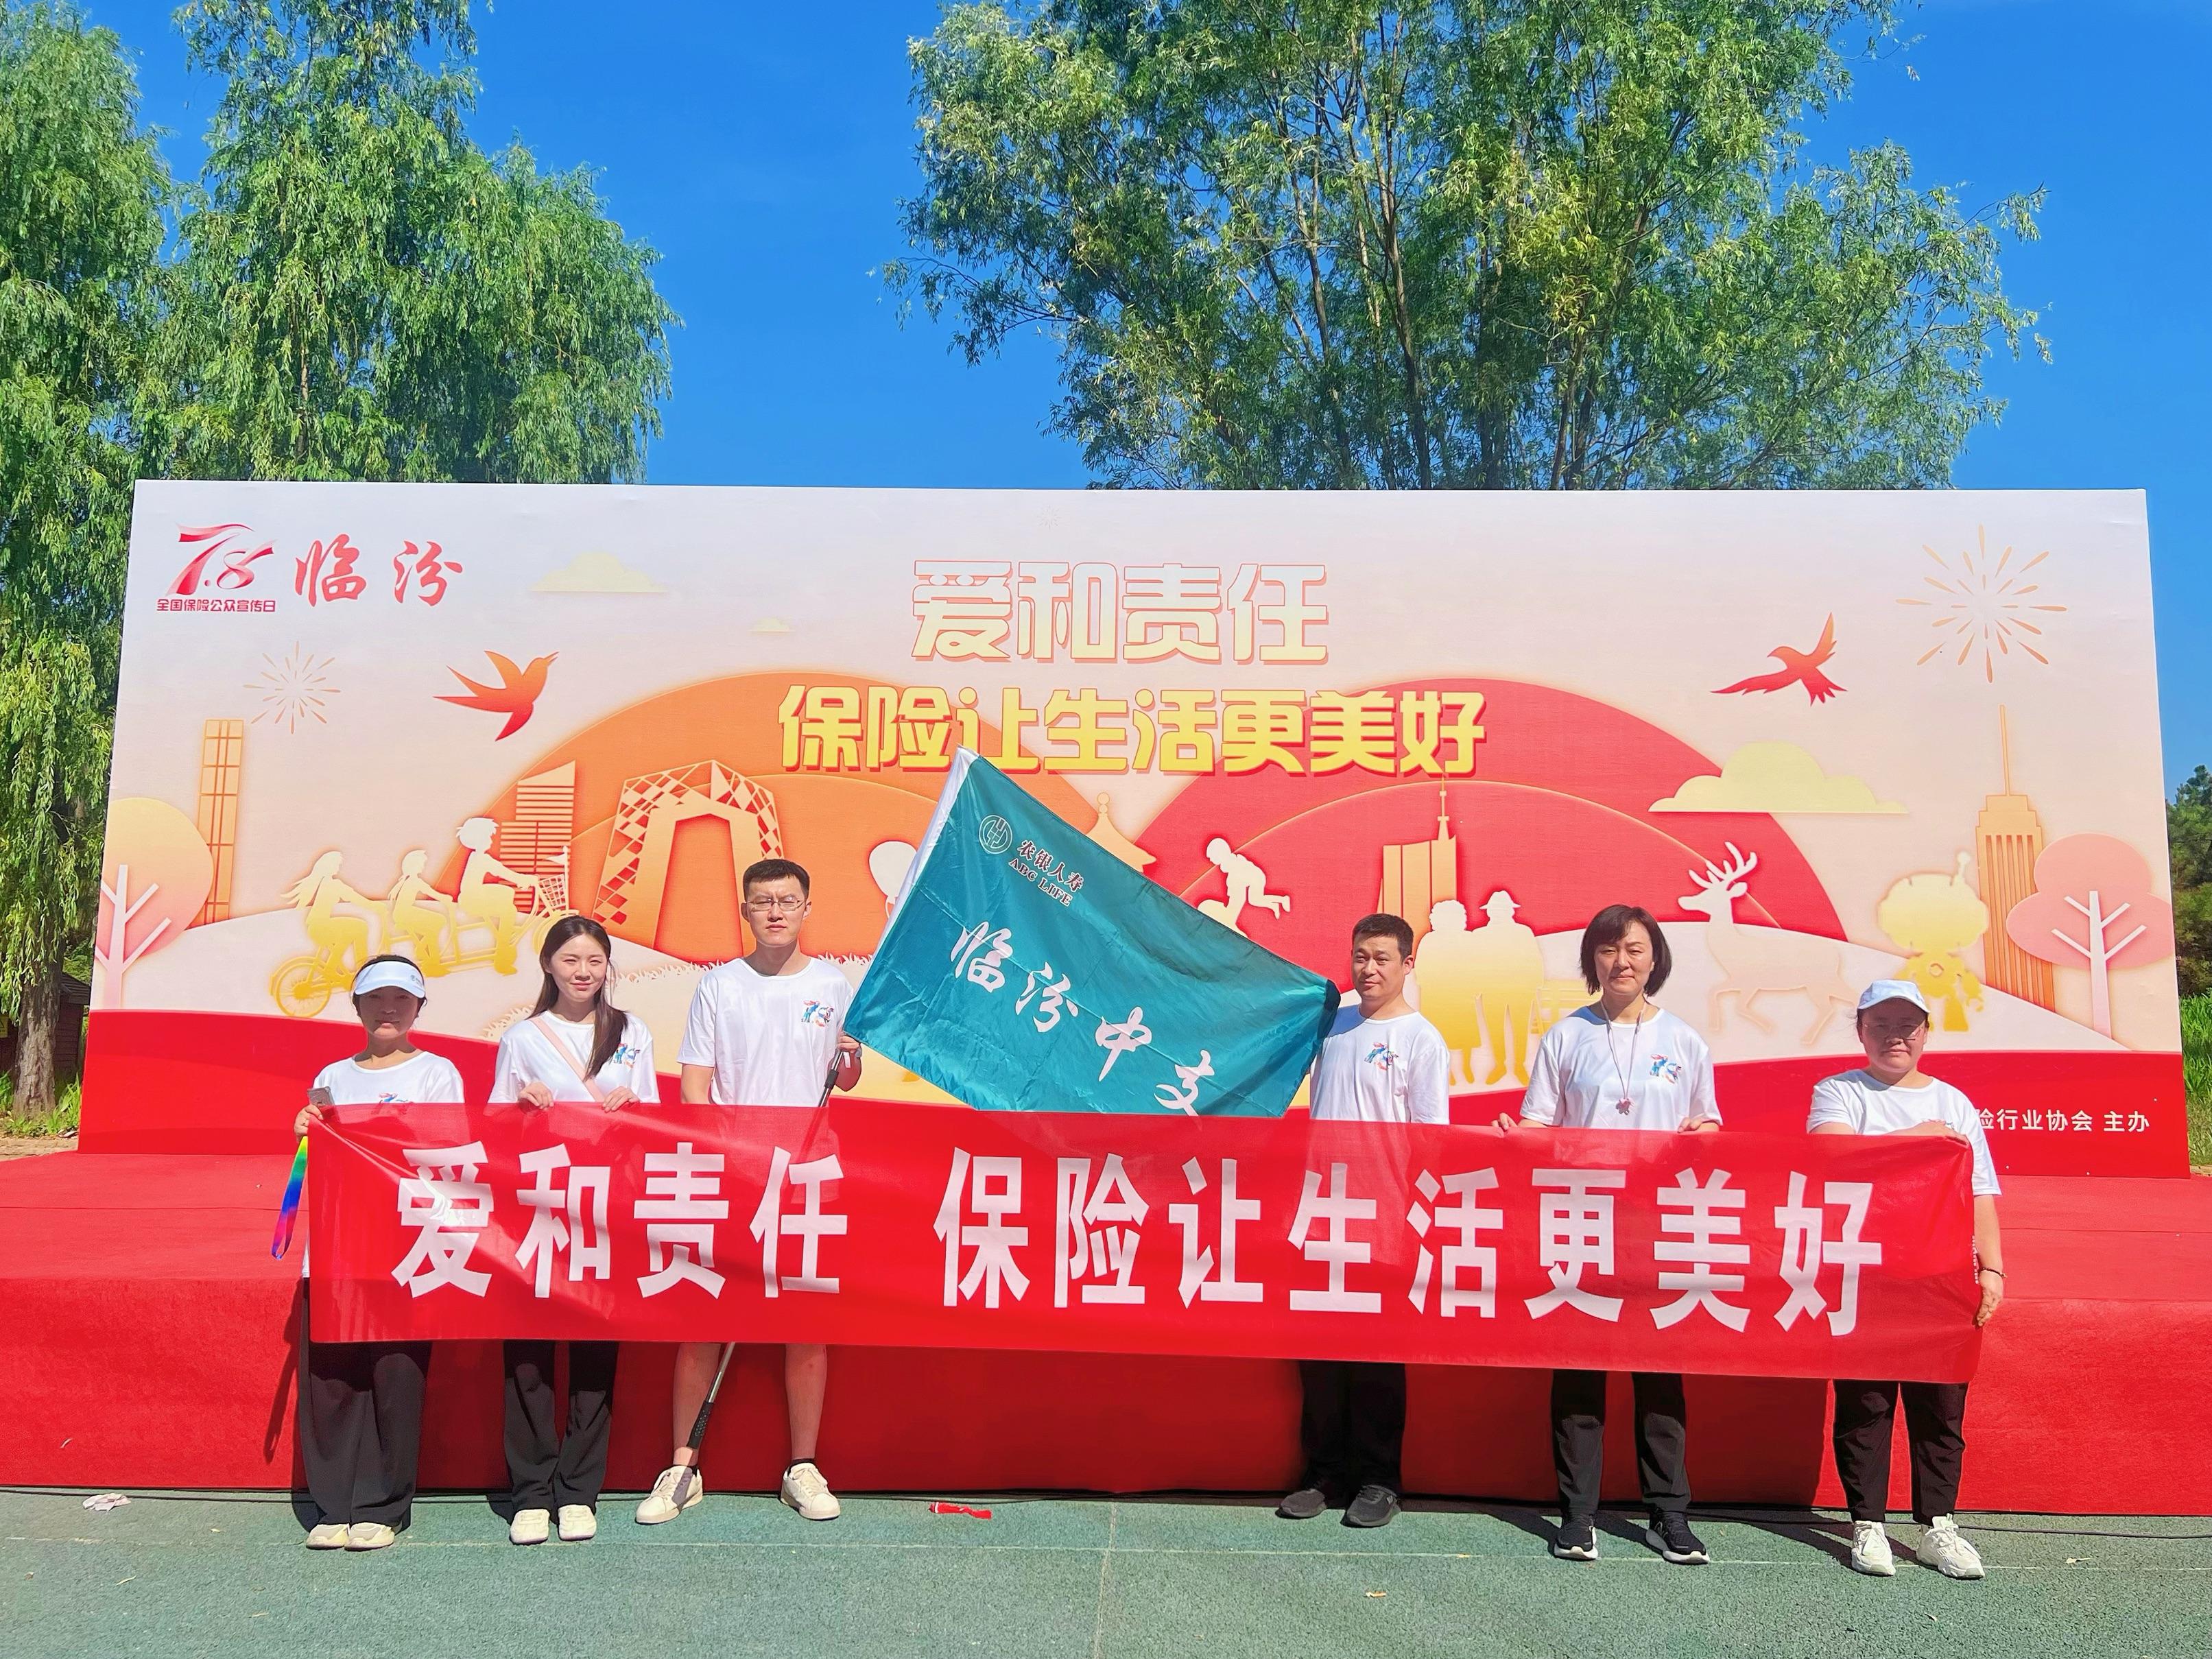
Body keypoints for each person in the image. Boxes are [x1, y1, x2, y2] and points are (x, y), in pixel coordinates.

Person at [636, 859, 862, 1527]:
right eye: (763, 901)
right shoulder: (719, 984)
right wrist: (727, 1159)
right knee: (705, 1321)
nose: (775, 912)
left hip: (809, 1173)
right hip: (732, 1176)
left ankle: (803, 1466)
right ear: (745, 910)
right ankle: (682, 1466)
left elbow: (846, 1078)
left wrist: (850, 1055)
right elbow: (694, 1085)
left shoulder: (832, 982)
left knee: (805, 1327)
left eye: (787, 901)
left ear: (806, 908)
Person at [1497, 904, 1718, 1567]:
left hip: (1658, 1225)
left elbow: (1707, 1125)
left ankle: (1668, 1515)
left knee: (1660, 1376)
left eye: (1634, 949)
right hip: (1583, 1221)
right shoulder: (1567, 1036)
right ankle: (1578, 1516)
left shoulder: (1684, 1040)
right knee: (1579, 1374)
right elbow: (1539, 1124)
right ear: (1591, 959)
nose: (1621, 961)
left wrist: (1700, 1136)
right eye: (1607, 949)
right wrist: (1513, 1137)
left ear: (1655, 959)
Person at [1809, 979, 2004, 1580]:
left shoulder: (1953, 1102)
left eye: (1907, 1024)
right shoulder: (1838, 1092)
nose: (1895, 1036)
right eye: (1881, 1024)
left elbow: (1980, 1192)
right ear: (1860, 1030)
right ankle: (1867, 1522)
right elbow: (1830, 1157)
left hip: (1939, 1276)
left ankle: (1937, 1525)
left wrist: (1992, 1267)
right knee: (1866, 1402)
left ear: (1925, 1032)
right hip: (1864, 1270)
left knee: (1940, 1404)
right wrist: (1915, 1138)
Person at [489, 916, 658, 1547]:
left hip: (607, 1209)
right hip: (536, 1208)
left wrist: (634, 1110)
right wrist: (519, 1107)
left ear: (607, 966)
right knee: (528, 1355)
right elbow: (492, 1128)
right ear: (547, 965)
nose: (583, 971)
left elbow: (654, 1122)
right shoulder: (522, 1036)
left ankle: (579, 1491)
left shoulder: (632, 1031)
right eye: (570, 960)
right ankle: (531, 1493)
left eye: (594, 960)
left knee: (594, 1354)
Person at [1278, 913, 1449, 1530]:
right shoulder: (1333, 1026)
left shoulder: (1421, 1039)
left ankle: (1379, 1480)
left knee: (1378, 1354)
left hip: (1383, 1217)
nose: (1368, 969)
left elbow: (1431, 1140)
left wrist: (1414, 1217)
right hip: (1321, 1210)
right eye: (1359, 956)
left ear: (1407, 964)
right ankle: (1323, 1474)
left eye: (1381, 958)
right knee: (1319, 1354)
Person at [292, 955, 465, 1551]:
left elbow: (446, 1149)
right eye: (375, 998)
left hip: (403, 1248)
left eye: (401, 998)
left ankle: (383, 1504)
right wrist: (307, 1127)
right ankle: (333, 1504)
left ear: (418, 1007)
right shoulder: (331, 1075)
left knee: (396, 1378)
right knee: (332, 1379)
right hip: (337, 1246)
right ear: (357, 1005)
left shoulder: (438, 1073)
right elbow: (321, 1147)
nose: (388, 1008)